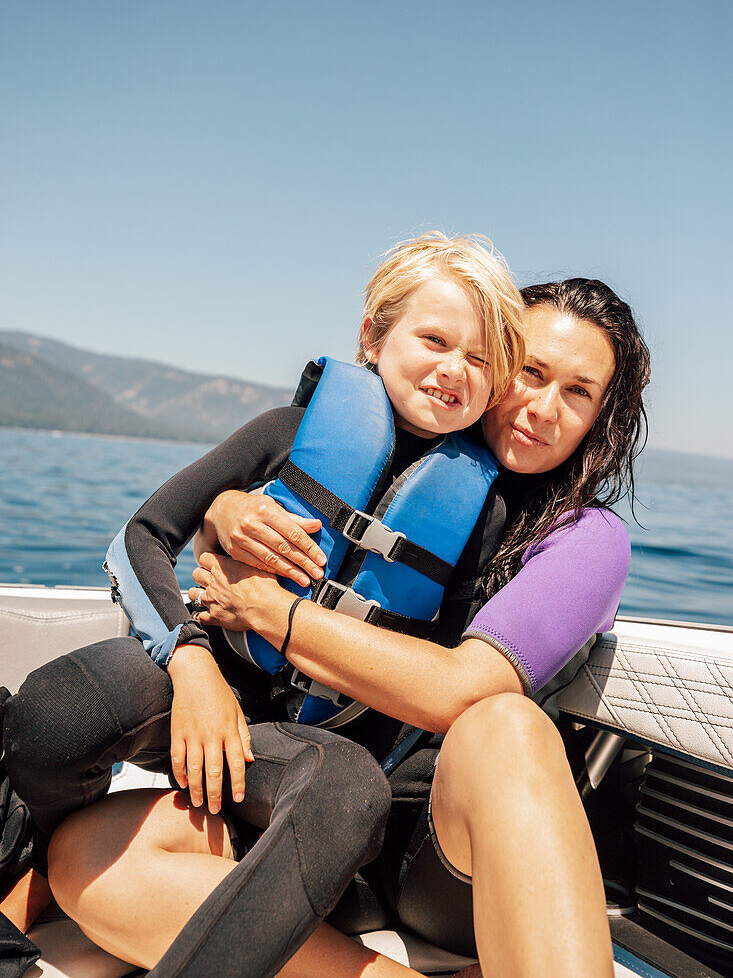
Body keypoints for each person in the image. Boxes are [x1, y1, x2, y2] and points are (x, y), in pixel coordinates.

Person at [32, 276, 649, 978]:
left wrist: (266, 606)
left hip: (434, 857)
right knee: (87, 858)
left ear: (603, 415)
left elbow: (456, 690)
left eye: (578, 392)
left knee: (502, 722)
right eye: (529, 372)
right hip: (321, 815)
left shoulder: (586, 539)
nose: (541, 408)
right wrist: (224, 515)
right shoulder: (391, 461)